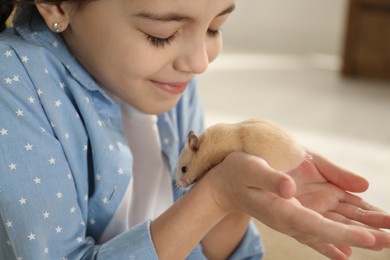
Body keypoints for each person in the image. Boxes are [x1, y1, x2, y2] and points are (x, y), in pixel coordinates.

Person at [0, 0, 389, 259]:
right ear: (57, 4)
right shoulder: (12, 84)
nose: (200, 62)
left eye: (215, 28)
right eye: (161, 34)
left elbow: (197, 238)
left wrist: (240, 195)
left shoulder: (169, 78)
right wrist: (214, 197)